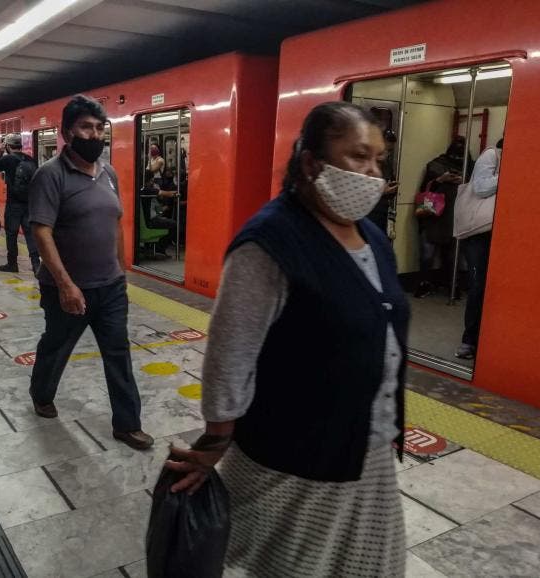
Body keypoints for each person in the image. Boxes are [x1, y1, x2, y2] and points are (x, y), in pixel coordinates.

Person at [166, 102, 409, 577]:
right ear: (311, 162)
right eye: (358, 155)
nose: (372, 172)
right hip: (295, 458)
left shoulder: (373, 238)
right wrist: (217, 438)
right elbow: (230, 351)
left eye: (379, 159)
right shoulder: (270, 242)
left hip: (369, 449)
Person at [28, 95, 153, 451]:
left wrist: (123, 270)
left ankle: (127, 425)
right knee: (57, 346)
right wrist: (66, 285)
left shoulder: (109, 172)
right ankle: (41, 392)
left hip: (110, 287)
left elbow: (116, 222)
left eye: (100, 128)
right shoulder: (50, 175)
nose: (94, 134)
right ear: (68, 132)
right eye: (86, 127)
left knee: (118, 353)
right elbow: (41, 232)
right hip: (67, 289)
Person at [455, 137, 503, 360]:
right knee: (478, 285)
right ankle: (469, 340)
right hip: (479, 233)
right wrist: (507, 175)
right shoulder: (491, 155)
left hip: (499, 232)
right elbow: (482, 188)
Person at [414, 136, 472, 298]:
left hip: (453, 215)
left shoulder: (469, 166)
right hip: (434, 214)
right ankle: (424, 283)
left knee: (451, 255)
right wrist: (441, 179)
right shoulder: (436, 165)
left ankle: (451, 284)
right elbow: (426, 187)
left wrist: (464, 181)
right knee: (428, 254)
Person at [0, 133, 40, 273]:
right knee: (30, 234)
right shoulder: (30, 159)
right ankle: (36, 265)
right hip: (29, 204)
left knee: (11, 234)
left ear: (8, 146)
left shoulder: (7, 159)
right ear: (20, 146)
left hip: (13, 204)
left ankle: (12, 264)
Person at [366, 129, 398, 233]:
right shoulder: (366, 165)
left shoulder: (387, 166)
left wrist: (392, 189)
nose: (387, 154)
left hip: (382, 211)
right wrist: (381, 191)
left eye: (390, 151)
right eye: (385, 149)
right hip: (369, 213)